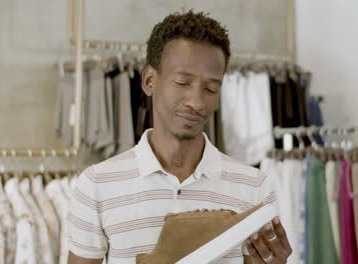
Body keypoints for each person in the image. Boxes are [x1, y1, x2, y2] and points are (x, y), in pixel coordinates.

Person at [67, 10, 292, 264]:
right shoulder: (97, 185)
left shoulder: (254, 187)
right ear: (150, 80)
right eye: (183, 83)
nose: (196, 102)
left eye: (210, 89)